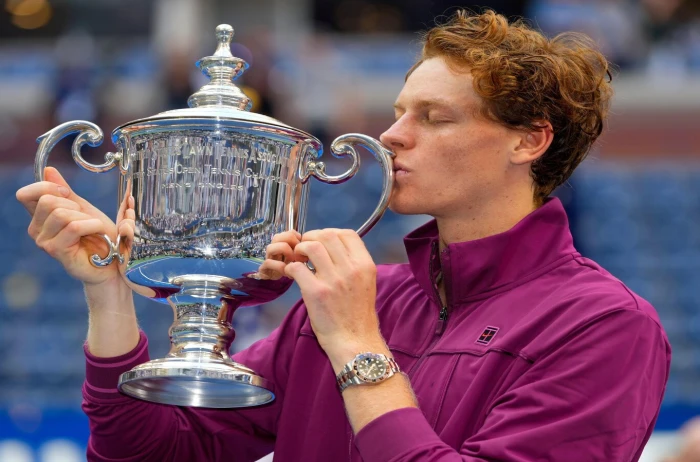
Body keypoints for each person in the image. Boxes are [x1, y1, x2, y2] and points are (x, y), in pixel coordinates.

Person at [16, 10, 671, 462]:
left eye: (434, 117)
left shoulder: (605, 325)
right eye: (397, 113)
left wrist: (358, 343)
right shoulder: (354, 301)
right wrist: (109, 296)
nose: (392, 136)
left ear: (529, 140)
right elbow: (151, 451)